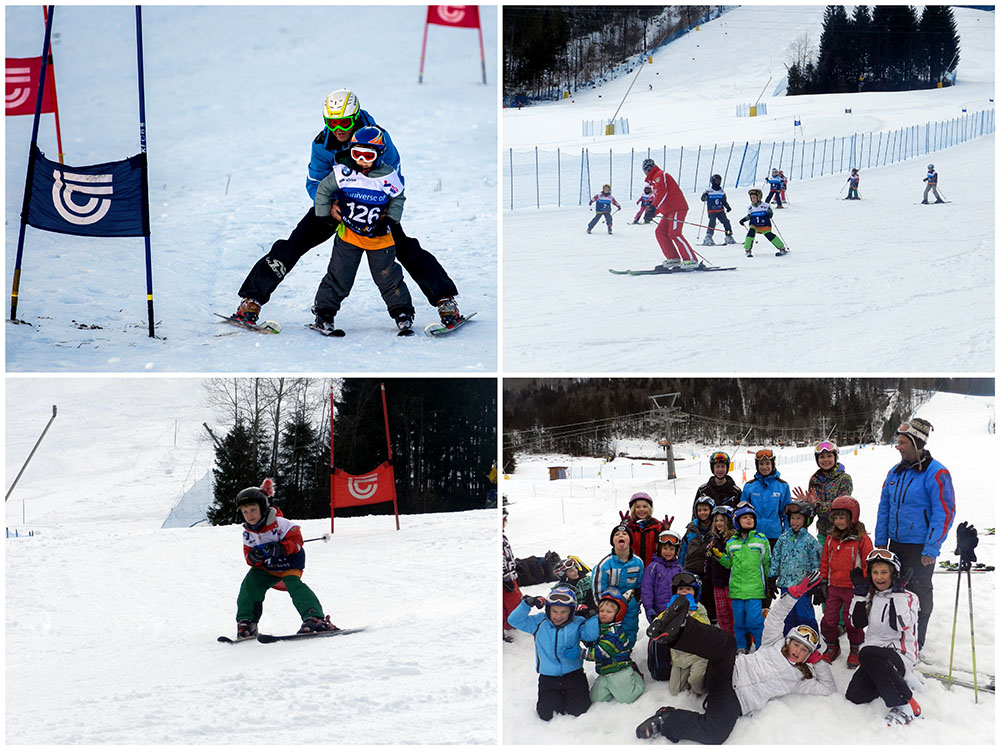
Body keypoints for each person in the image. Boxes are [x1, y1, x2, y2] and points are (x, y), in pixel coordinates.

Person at [232, 89, 461, 328]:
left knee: (405, 249)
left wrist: (385, 211)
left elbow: (394, 179)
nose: (338, 128)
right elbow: (314, 182)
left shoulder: (378, 138)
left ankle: (445, 300)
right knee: (293, 245)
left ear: (355, 116)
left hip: (373, 210)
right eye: (331, 122)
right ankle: (252, 300)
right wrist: (329, 205)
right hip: (334, 207)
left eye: (344, 122)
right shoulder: (322, 143)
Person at [636, 571, 833, 745]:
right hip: (728, 670)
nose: (798, 651)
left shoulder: (798, 680)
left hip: (734, 700)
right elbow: (776, 616)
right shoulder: (774, 642)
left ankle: (667, 720)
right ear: (788, 640)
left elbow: (827, 688)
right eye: (796, 644)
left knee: (717, 733)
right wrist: (793, 595)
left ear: (809, 656)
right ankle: (677, 631)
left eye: (805, 650)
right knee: (727, 643)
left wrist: (818, 660)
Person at [312, 126, 414, 333]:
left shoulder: (387, 176)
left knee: (388, 277)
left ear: (379, 155)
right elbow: (323, 189)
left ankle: (402, 312)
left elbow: (398, 197)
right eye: (356, 154)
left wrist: (391, 221)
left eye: (368, 155)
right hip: (348, 236)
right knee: (339, 275)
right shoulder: (343, 172)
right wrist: (323, 214)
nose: (361, 160)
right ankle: (324, 312)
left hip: (380, 239)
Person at [875, 417, 955, 649]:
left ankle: (915, 642)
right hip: (895, 544)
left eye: (902, 442)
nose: (897, 446)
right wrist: (881, 542)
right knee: (894, 590)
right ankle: (896, 634)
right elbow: (884, 508)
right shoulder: (895, 472)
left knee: (918, 592)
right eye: (897, 441)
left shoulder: (937, 473)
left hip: (920, 547)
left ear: (916, 442)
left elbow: (945, 512)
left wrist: (931, 547)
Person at [233, 480, 334, 638]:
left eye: (253, 510)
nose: (249, 516)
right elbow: (248, 555)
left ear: (263, 509)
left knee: (294, 585)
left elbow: (297, 541)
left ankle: (315, 618)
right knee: (250, 584)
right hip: (267, 567)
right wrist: (254, 557)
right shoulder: (248, 533)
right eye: (245, 512)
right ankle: (247, 622)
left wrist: (282, 547)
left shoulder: (281, 524)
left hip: (289, 564)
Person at [845, 548, 923, 726]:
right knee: (856, 695)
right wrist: (858, 594)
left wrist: (898, 593)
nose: (879, 577)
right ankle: (901, 679)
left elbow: (902, 625)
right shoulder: (870, 596)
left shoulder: (909, 597)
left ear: (894, 574)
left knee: (866, 653)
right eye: (875, 572)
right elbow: (856, 622)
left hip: (900, 655)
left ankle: (905, 704)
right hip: (874, 657)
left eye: (884, 572)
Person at [507, 586, 601, 721]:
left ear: (572, 611)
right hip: (548, 678)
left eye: (564, 612)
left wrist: (591, 617)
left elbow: (591, 635)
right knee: (546, 714)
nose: (558, 616)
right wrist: (526, 604)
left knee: (579, 711)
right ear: (548, 609)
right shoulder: (539, 622)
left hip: (573, 675)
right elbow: (514, 620)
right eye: (554, 611)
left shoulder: (577, 623)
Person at [818, 495, 873, 667]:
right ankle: (833, 646)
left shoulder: (861, 539)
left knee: (851, 621)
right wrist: (822, 581)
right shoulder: (830, 538)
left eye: (843, 517)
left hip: (852, 589)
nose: (839, 521)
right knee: (828, 620)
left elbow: (868, 563)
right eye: (836, 518)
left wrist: (863, 584)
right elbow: (825, 561)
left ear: (852, 517)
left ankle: (855, 648)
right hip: (834, 587)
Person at [712, 503, 770, 653]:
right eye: (745, 517)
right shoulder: (732, 543)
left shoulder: (761, 540)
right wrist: (720, 557)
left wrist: (769, 584)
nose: (749, 520)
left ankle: (760, 647)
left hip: (754, 590)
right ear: (737, 521)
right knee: (739, 623)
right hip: (737, 590)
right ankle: (741, 647)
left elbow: (766, 563)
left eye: (751, 517)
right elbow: (729, 563)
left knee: (755, 621)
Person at [770, 501, 822, 636]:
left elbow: (816, 563)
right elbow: (776, 558)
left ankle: (810, 641)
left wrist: (816, 584)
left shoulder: (810, 541)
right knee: (787, 615)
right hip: (786, 586)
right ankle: (789, 641)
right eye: (792, 518)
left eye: (798, 518)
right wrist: (772, 577)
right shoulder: (783, 539)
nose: (795, 522)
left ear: (806, 520)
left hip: (803, 587)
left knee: (804, 615)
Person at [586, 588, 645, 704]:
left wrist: (582, 653)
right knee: (595, 699)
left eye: (609, 612)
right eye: (601, 610)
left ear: (617, 614)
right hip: (604, 671)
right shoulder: (599, 628)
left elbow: (601, 652)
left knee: (627, 698)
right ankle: (612, 687)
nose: (603, 614)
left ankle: (635, 675)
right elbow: (592, 641)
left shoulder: (616, 633)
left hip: (619, 670)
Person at [642, 529, 686, 681]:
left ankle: (675, 664)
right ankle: (659, 667)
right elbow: (647, 590)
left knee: (674, 639)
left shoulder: (679, 569)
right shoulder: (653, 567)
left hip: (675, 612)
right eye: (665, 548)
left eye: (672, 548)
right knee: (658, 639)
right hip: (659, 612)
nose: (668, 551)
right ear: (659, 549)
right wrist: (649, 610)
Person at [792, 441, 854, 549]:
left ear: (835, 457)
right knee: (823, 563)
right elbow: (812, 512)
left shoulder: (844, 479)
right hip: (823, 533)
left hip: (842, 532)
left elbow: (840, 506)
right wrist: (805, 505)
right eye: (822, 457)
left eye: (829, 456)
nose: (826, 460)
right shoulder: (815, 480)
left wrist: (817, 505)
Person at [641, 158, 700, 270]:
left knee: (675, 233)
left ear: (646, 170)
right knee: (660, 232)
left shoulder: (660, 175)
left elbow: (663, 193)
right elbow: (661, 198)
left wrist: (653, 207)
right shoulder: (654, 180)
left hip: (677, 208)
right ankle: (673, 258)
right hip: (668, 211)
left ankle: (691, 260)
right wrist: (653, 212)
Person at [593, 522, 645, 648]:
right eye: (617, 534)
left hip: (630, 606)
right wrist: (603, 607)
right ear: (613, 541)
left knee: (630, 630)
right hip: (610, 608)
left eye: (624, 534)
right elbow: (597, 589)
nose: (620, 535)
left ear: (629, 540)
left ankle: (626, 655)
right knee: (610, 633)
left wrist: (637, 599)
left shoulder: (638, 562)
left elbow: (641, 584)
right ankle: (609, 657)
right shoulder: (605, 565)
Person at [667, 572, 711, 698]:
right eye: (681, 589)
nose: (684, 592)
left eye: (688, 589)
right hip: (680, 655)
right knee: (674, 691)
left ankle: (703, 676)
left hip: (697, 654)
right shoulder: (671, 609)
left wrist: (693, 613)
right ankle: (686, 675)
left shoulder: (699, 608)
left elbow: (706, 627)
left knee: (696, 683)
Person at [741, 449, 790, 549]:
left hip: (775, 536)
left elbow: (786, 513)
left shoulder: (782, 485)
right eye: (761, 464)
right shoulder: (750, 486)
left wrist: (788, 533)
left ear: (773, 464)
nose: (764, 467)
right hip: (753, 535)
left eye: (767, 463)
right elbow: (742, 512)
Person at [705, 505, 735, 634]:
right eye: (716, 520)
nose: (718, 523)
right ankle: (727, 636)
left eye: (722, 520)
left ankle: (739, 638)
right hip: (717, 582)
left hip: (730, 583)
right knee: (722, 613)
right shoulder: (714, 540)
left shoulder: (733, 540)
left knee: (732, 612)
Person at [739, 188, 788, 258]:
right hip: (754, 225)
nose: (753, 199)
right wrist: (743, 220)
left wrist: (769, 213)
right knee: (750, 233)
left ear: (759, 197)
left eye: (754, 198)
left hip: (765, 225)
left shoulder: (765, 206)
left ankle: (781, 248)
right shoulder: (750, 207)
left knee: (769, 235)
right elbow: (750, 216)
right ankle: (748, 249)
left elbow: (770, 214)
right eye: (751, 198)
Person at [625, 492, 665, 566]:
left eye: (644, 507)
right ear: (633, 509)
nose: (641, 509)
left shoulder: (656, 526)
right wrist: (624, 528)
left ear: (649, 508)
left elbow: (662, 546)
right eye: (638, 507)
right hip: (632, 566)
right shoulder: (630, 526)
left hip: (651, 566)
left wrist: (665, 530)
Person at [502, 506, 522, 642]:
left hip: (510, 576)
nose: (504, 522)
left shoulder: (503, 537)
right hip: (504, 579)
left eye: (505, 519)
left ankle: (511, 624)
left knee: (515, 602)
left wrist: (514, 566)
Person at [699, 174, 736, 246]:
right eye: (716, 181)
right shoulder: (709, 191)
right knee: (712, 221)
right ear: (712, 181)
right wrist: (705, 195)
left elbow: (724, 201)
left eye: (719, 181)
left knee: (726, 222)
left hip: (720, 210)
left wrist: (727, 207)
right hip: (712, 210)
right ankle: (708, 237)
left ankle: (728, 235)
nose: (718, 182)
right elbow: (702, 199)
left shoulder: (721, 191)